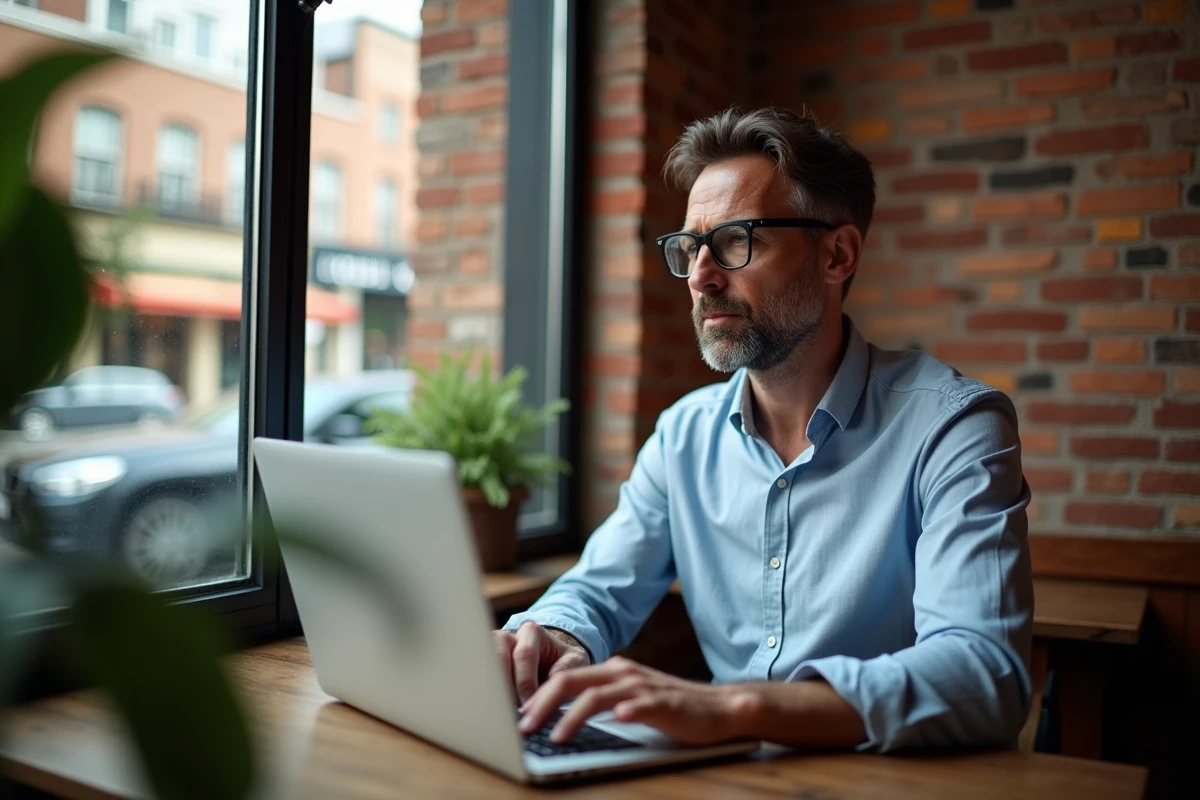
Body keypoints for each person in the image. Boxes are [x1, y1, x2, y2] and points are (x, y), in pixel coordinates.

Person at [496, 107, 1033, 753]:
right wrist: (553, 633)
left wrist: (738, 707)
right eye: (691, 247)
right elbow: (599, 587)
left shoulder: (955, 426)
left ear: (837, 254)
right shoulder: (683, 435)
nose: (700, 276)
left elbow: (983, 675)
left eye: (735, 240)